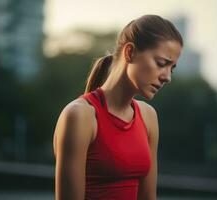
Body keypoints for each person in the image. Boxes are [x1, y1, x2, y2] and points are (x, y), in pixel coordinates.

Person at [53, 14, 183, 200]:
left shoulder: (148, 116)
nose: (167, 77)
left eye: (172, 68)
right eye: (161, 63)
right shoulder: (80, 116)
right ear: (129, 53)